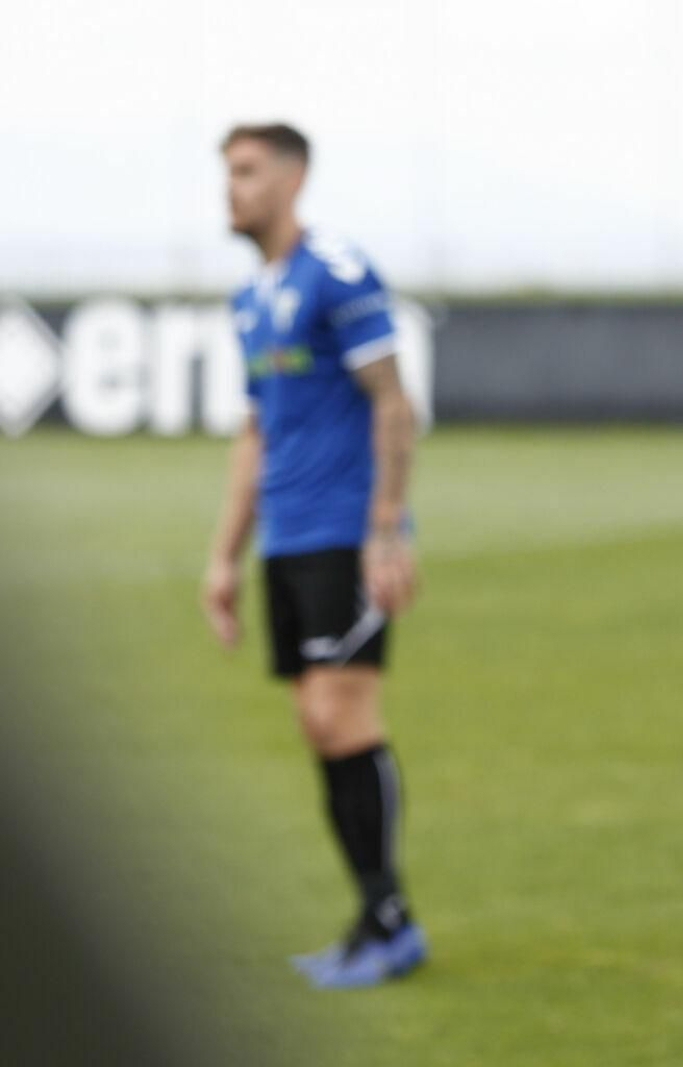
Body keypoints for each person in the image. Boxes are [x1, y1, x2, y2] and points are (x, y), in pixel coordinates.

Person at [202, 122, 426, 989]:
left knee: (342, 718)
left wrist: (385, 528)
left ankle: (390, 918)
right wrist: (223, 557)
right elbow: (255, 433)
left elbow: (393, 403)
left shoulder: (336, 271)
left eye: (249, 171)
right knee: (315, 723)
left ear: (292, 179)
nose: (233, 187)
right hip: (285, 537)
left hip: (343, 532)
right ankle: (376, 915)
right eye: (228, 171)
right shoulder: (249, 299)